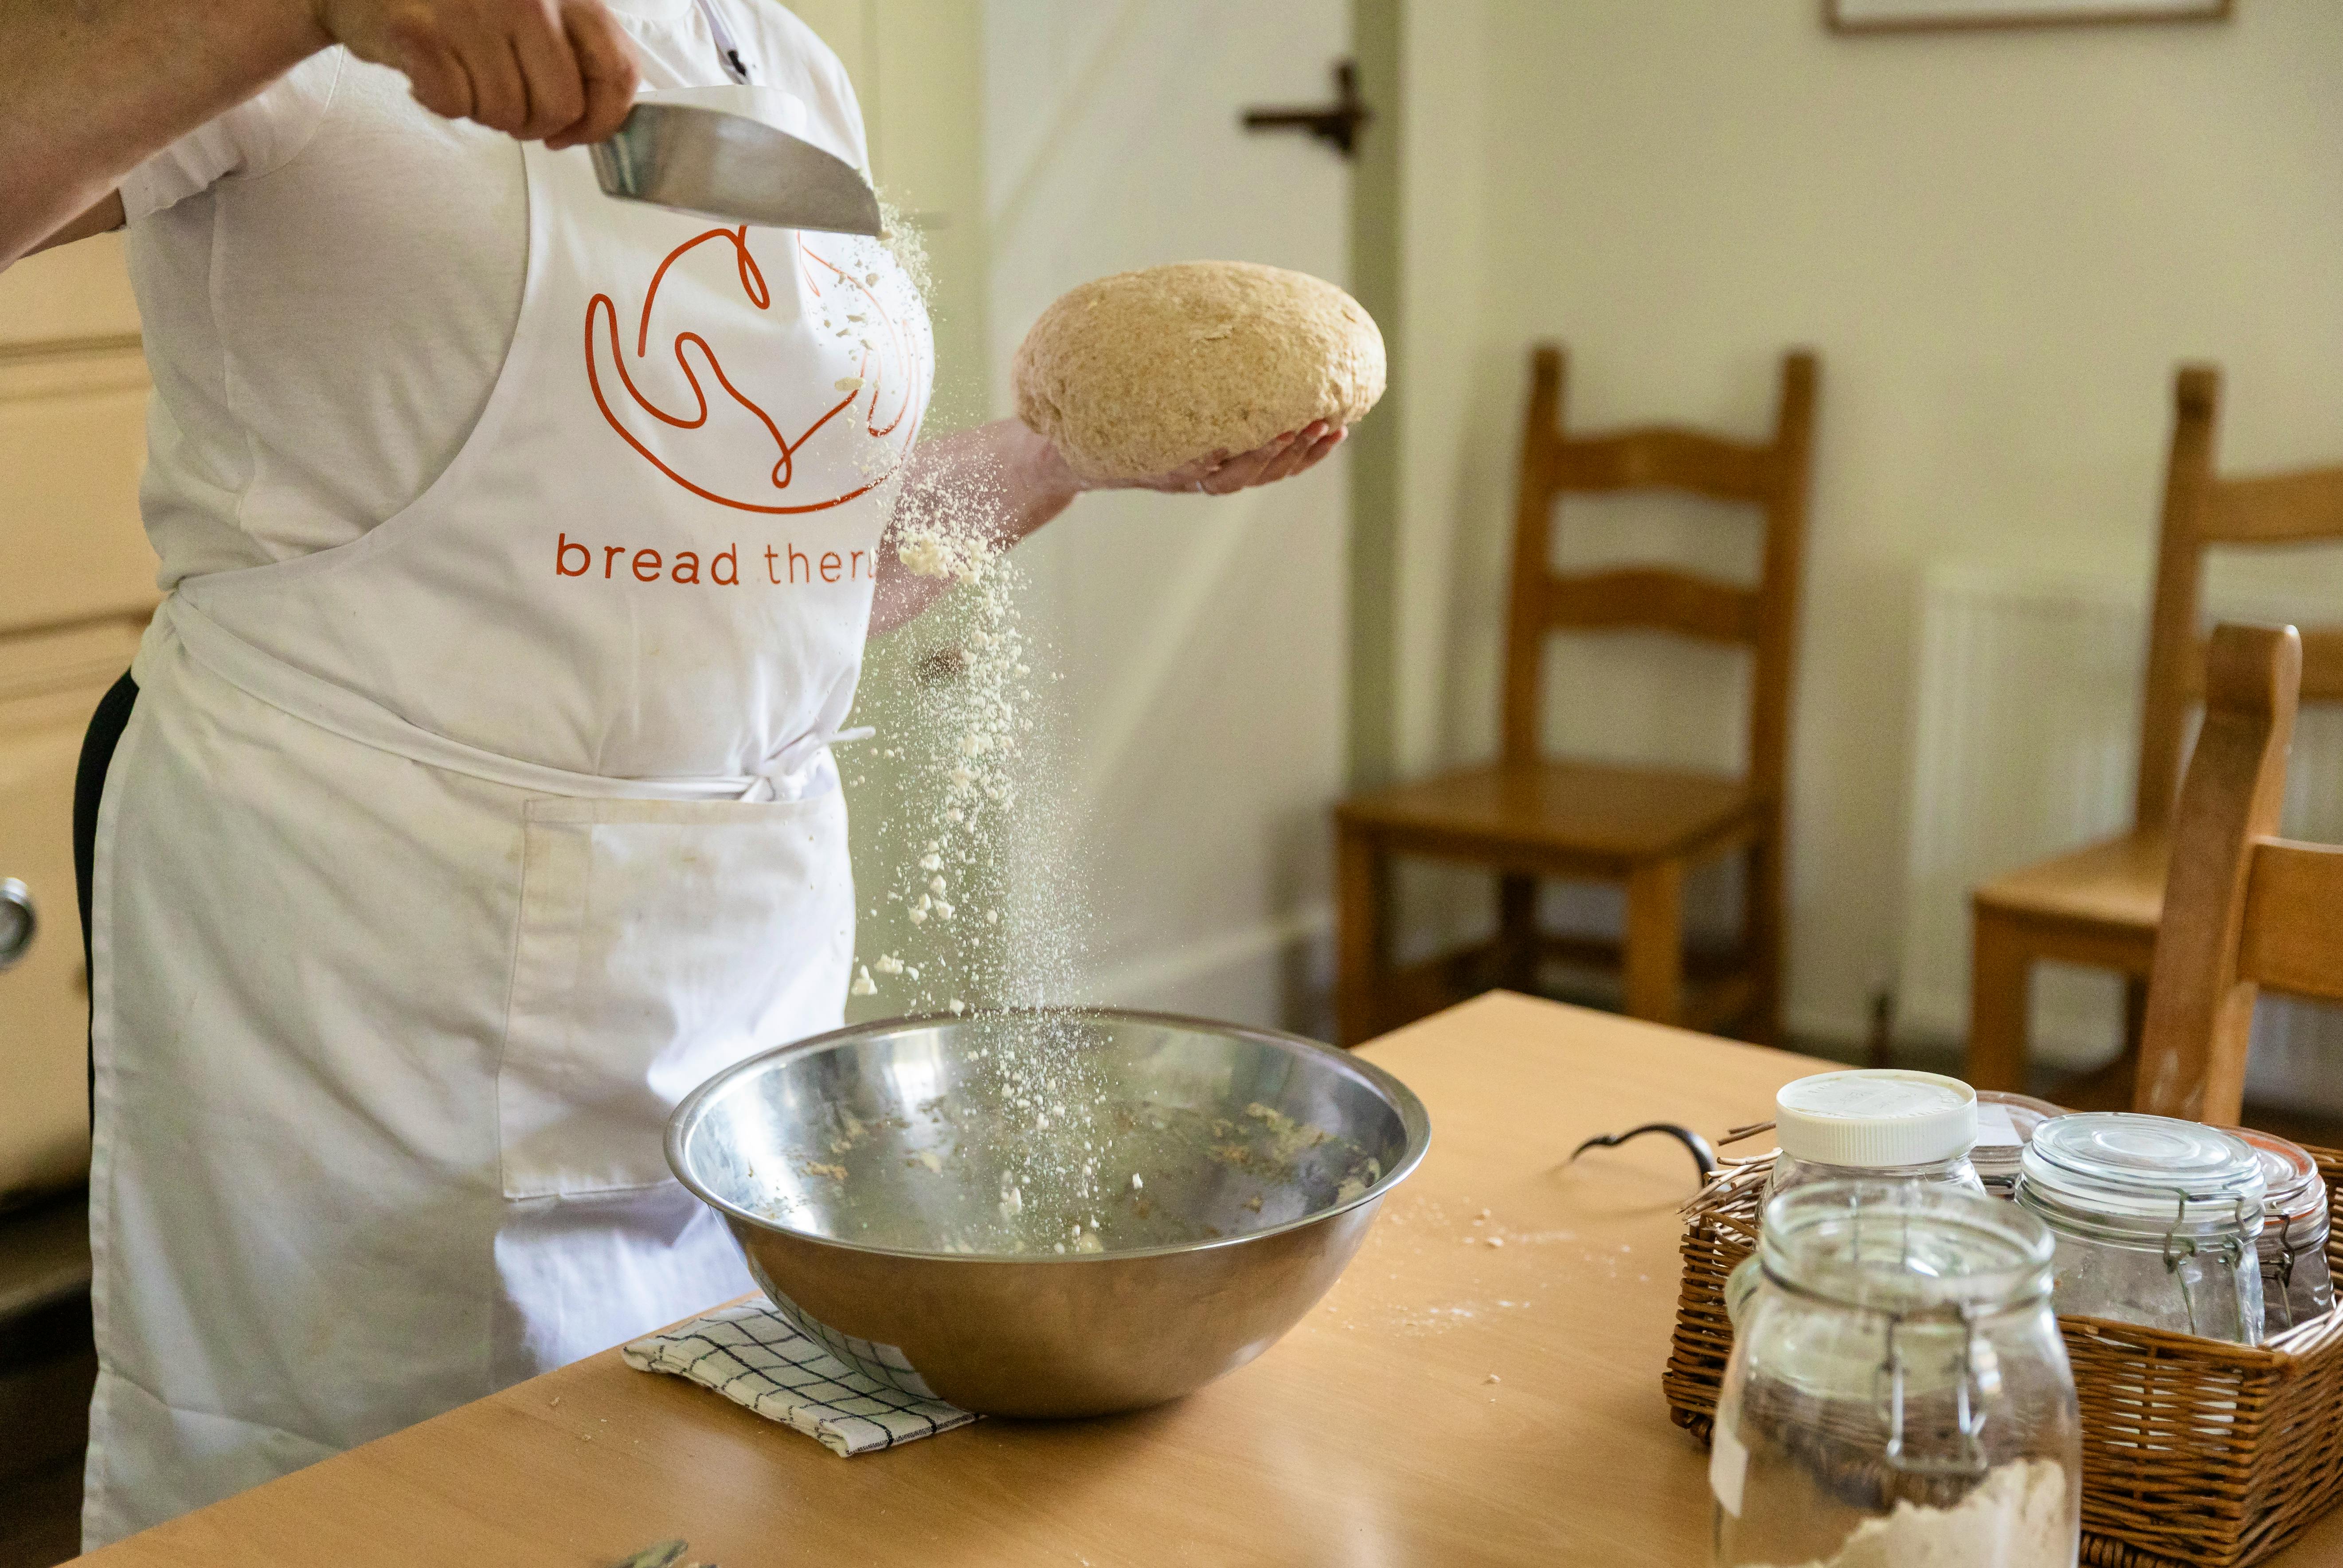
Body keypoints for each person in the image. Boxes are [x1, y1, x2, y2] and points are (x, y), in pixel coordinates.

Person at [6, 0, 1344, 1546]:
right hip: (373, 971)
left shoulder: (786, 63)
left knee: (696, 1490)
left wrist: (1061, 459)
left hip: (727, 977)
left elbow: (774, 563)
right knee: (378, 1507)